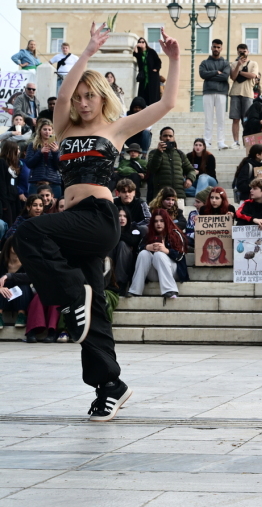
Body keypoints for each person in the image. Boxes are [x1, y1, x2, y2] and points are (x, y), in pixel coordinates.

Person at [8, 22, 179, 421]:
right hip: (70, 221)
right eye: (80, 97)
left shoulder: (116, 129)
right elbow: (62, 93)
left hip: (99, 219)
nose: (82, 103)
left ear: (102, 97)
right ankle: (109, 386)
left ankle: (71, 296)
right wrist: (86, 52)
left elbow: (166, 105)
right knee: (94, 311)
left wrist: (172, 59)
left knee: (30, 231)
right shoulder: (65, 128)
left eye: (90, 96)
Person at [127, 208, 187, 300]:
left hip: (173, 271)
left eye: (161, 221)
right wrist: (147, 247)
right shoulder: (149, 235)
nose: (158, 224)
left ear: (166, 221)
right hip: (155, 272)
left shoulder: (175, 234)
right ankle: (135, 290)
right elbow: (138, 251)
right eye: (156, 221)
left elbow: (180, 256)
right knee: (144, 253)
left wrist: (166, 250)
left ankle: (170, 290)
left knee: (159, 254)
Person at [147, 127, 196, 201]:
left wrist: (190, 179)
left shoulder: (180, 154)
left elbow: (191, 170)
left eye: (170, 136)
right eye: (165, 136)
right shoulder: (154, 153)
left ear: (174, 137)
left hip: (178, 195)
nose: (168, 138)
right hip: (161, 196)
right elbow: (152, 169)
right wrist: (159, 152)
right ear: (160, 138)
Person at [198, 39, 231, 149]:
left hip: (222, 92)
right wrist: (216, 72)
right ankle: (207, 141)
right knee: (208, 118)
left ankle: (221, 141)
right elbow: (203, 74)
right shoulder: (204, 63)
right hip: (208, 92)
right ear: (211, 47)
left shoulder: (225, 63)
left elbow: (225, 76)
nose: (216, 49)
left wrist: (210, 75)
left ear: (221, 48)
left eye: (218, 47)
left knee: (221, 118)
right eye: (214, 47)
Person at [228, 44, 259, 149]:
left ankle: (248, 142)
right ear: (237, 52)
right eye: (240, 51)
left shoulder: (254, 63)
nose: (243, 53)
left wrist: (240, 72)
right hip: (235, 93)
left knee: (247, 120)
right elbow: (233, 77)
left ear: (248, 51)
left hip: (248, 94)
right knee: (235, 119)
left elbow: (253, 75)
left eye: (244, 51)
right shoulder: (233, 64)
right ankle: (236, 142)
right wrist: (238, 65)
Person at [0, 242, 34, 332]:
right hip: (5, 296)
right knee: (3, 286)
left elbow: (31, 277)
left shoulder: (27, 261)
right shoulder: (1, 261)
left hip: (21, 296)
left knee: (23, 285)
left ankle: (21, 315)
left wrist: (10, 276)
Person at [24, 118, 61, 198]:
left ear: (52, 131)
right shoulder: (33, 145)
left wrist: (56, 153)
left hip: (53, 182)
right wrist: (40, 152)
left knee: (55, 208)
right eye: (44, 129)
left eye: (49, 129)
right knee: (34, 206)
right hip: (36, 182)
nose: (47, 132)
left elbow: (59, 166)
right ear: (40, 130)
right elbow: (29, 163)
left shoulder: (57, 146)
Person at [0, 140, 29, 231]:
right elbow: (2, 183)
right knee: (7, 223)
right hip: (5, 199)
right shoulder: (2, 162)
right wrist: (4, 202)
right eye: (17, 149)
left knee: (14, 223)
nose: (19, 151)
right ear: (10, 150)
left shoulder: (15, 164)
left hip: (14, 198)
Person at [134, 37, 162, 106]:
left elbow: (158, 61)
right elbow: (135, 55)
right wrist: (136, 46)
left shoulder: (151, 51)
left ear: (145, 43)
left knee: (153, 93)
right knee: (143, 92)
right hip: (143, 77)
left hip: (152, 76)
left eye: (143, 42)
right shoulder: (139, 53)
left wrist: (156, 68)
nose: (141, 43)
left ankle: (153, 108)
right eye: (139, 42)